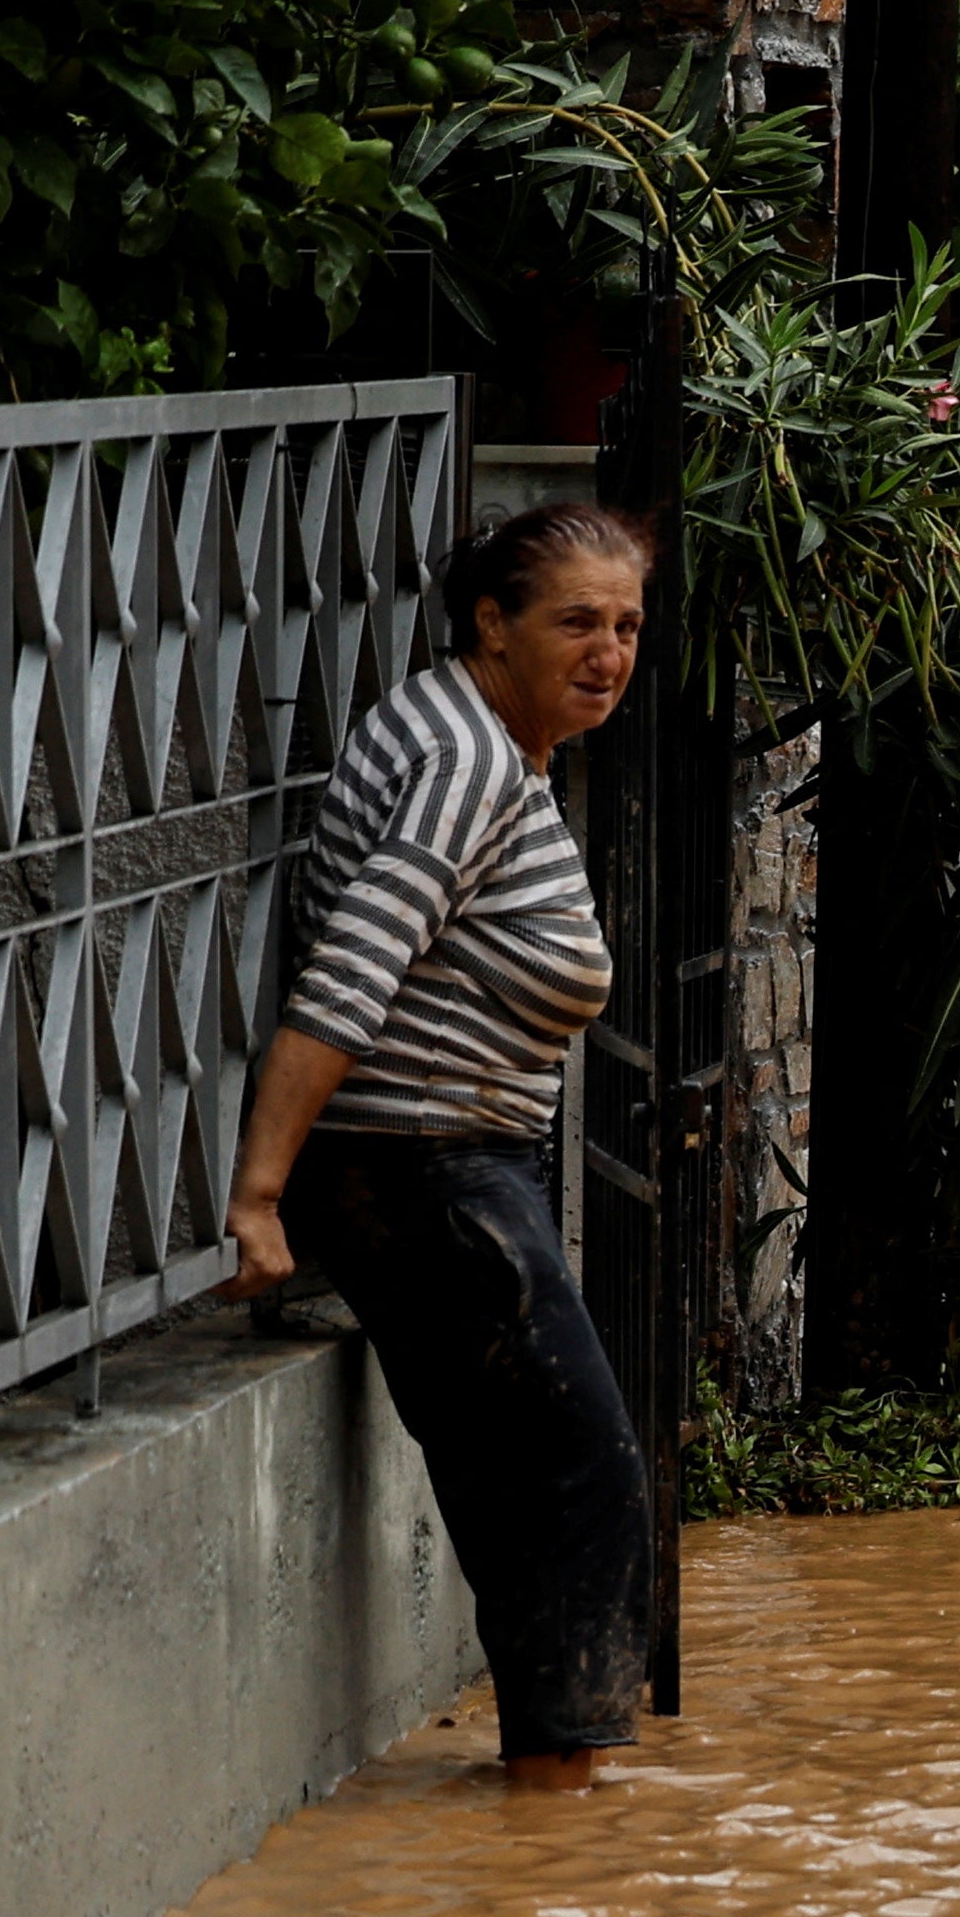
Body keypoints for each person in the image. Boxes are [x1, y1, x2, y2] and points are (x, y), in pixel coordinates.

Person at [225, 503, 655, 1790]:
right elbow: (352, 970)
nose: (609, 651)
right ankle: (558, 1812)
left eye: (627, 625)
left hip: (455, 1162)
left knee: (517, 1476)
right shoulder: (466, 759)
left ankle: (539, 1817)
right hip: (419, 1166)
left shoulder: (484, 742)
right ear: (492, 623)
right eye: (575, 621)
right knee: (582, 1477)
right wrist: (260, 1191)